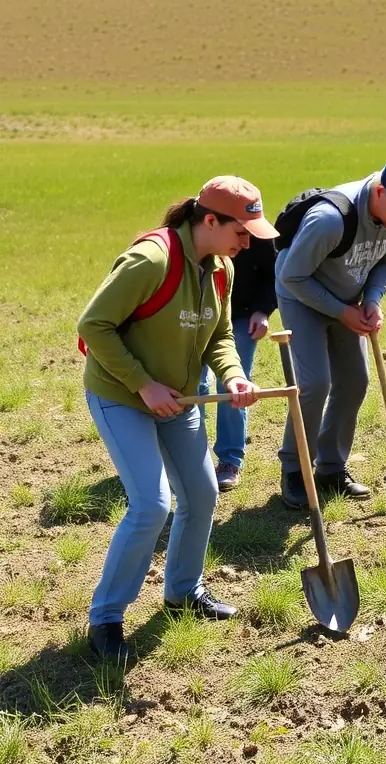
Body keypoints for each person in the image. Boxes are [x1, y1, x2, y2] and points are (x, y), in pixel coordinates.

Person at [78, 176, 275, 660]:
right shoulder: (152, 259)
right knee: (151, 504)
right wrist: (143, 383)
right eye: (242, 232)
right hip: (122, 395)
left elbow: (220, 338)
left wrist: (232, 378)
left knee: (203, 492)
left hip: (180, 401)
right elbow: (93, 325)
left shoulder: (221, 269)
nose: (247, 243)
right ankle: (106, 619)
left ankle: (183, 591)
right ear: (210, 220)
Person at [275, 160, 386, 509]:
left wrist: (372, 299)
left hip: (348, 297)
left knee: (356, 380)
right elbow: (292, 277)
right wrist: (342, 312)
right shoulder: (330, 220)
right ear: (379, 192)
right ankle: (295, 470)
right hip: (301, 294)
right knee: (314, 383)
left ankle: (331, 468)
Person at [198, 234, 277, 491]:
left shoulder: (261, 236)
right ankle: (191, 457)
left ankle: (230, 460)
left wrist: (262, 310)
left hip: (241, 318)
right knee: (193, 385)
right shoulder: (198, 234)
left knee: (234, 386)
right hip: (194, 318)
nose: (243, 242)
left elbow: (274, 273)